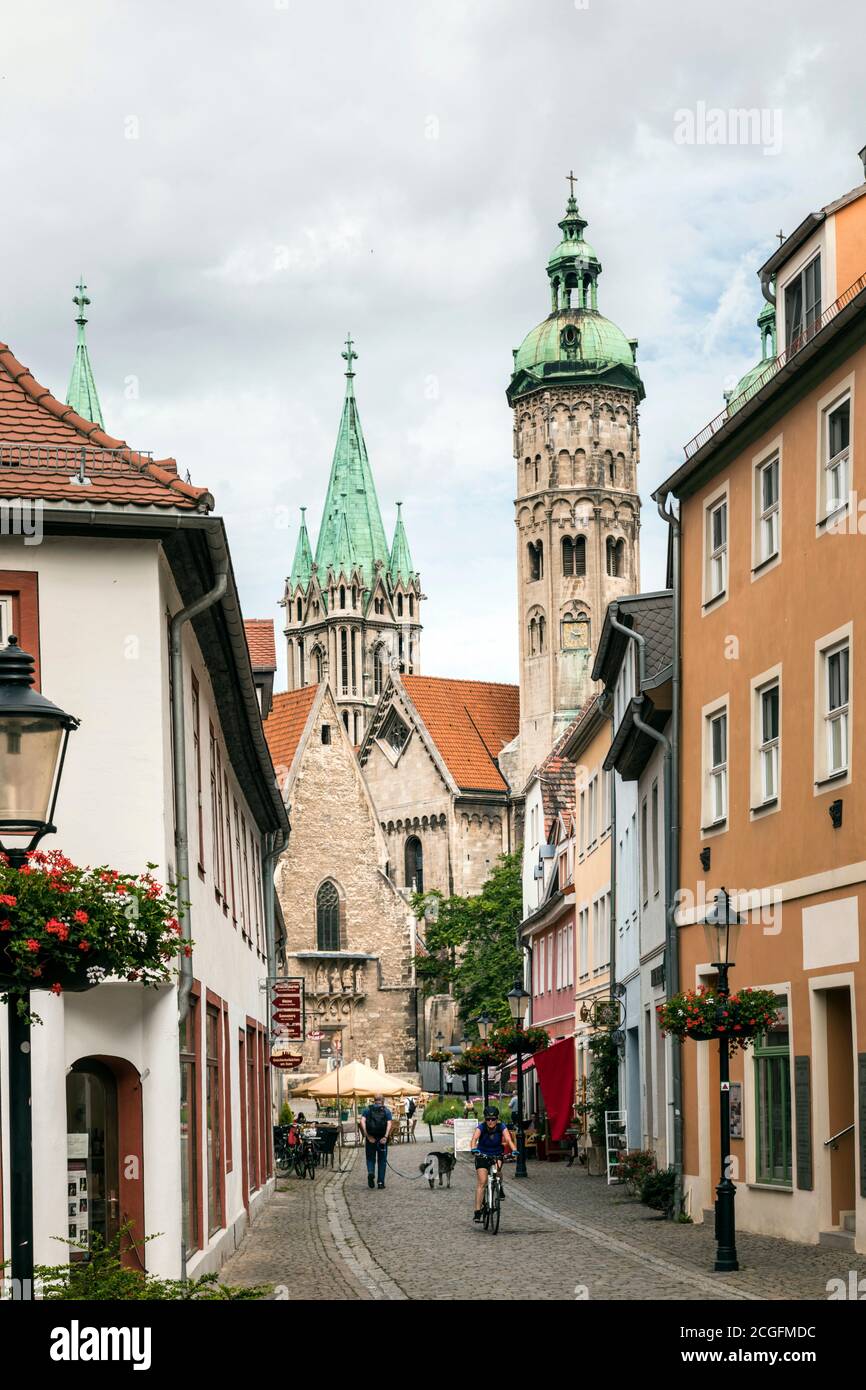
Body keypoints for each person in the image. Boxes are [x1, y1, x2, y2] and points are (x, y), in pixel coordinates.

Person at [470, 1105, 515, 1222]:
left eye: (493, 1119)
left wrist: (514, 1150)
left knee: (497, 1170)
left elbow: (509, 1140)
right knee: (482, 1181)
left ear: (497, 1119)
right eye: (488, 1119)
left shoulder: (501, 1127)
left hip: (496, 1153)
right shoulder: (481, 1127)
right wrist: (474, 1149)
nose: (490, 1122)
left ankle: (499, 1186)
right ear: (485, 1119)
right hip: (482, 1154)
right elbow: (474, 1139)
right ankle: (477, 1210)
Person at [359, 1093, 393, 1189]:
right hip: (382, 1139)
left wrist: (367, 1135)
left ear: (374, 1100)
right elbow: (389, 1123)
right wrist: (385, 1137)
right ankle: (380, 1183)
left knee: (370, 1158)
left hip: (371, 1139)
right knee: (382, 1161)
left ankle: (371, 1172)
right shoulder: (386, 1111)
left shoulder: (367, 1110)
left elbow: (362, 1121)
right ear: (383, 1100)